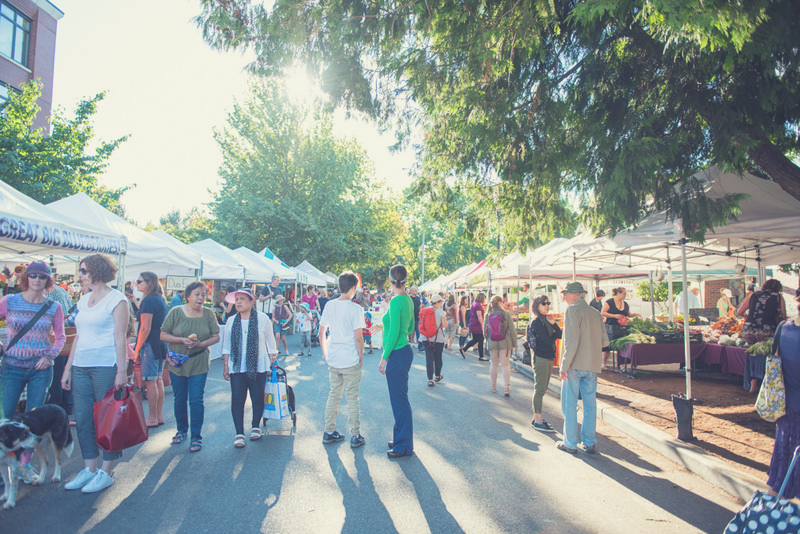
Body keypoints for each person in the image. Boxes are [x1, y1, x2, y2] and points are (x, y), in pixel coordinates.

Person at [61, 254, 129, 493]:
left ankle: (106, 471)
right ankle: (89, 468)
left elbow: (121, 337)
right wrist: (68, 368)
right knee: (83, 419)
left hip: (105, 365)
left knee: (107, 420)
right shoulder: (83, 300)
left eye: (83, 270)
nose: (79, 275)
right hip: (81, 366)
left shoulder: (117, 300)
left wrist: (122, 371)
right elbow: (78, 337)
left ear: (96, 271)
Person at [0, 261, 66, 483]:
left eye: (42, 277)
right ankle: (4, 467)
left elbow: (61, 337)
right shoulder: (9, 301)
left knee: (33, 421)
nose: (37, 280)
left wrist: (50, 357)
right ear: (26, 278)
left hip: (40, 369)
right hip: (12, 367)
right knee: (5, 416)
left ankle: (24, 467)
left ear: (48, 281)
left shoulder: (53, 307)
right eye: (33, 275)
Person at [160, 281, 220, 453]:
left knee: (196, 399)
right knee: (179, 398)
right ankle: (181, 429)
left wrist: (201, 344)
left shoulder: (208, 314)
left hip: (199, 361)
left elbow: (216, 336)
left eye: (203, 294)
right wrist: (181, 340)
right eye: (197, 294)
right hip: (177, 361)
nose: (201, 298)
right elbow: (163, 334)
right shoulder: (176, 312)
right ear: (187, 296)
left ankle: (196, 436)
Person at [222, 288, 278, 448]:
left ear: (251, 301)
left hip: (258, 365)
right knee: (237, 399)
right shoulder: (231, 320)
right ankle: (239, 432)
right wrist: (226, 365)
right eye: (236, 299)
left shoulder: (262, 319)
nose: (238, 302)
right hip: (237, 366)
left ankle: (255, 426)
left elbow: (270, 340)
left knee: (257, 397)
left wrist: (273, 357)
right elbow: (226, 345)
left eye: (242, 299)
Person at [557, 282, 609, 454]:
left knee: (569, 404)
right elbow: (605, 341)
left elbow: (571, 342)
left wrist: (564, 365)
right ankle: (589, 441)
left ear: (575, 294)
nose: (563, 297)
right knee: (590, 404)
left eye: (565, 294)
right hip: (592, 365)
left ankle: (570, 443)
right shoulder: (595, 313)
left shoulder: (572, 310)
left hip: (575, 364)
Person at [319, 271, 366, 448]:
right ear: (353, 288)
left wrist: (325, 353)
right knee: (352, 397)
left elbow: (321, 332)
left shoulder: (329, 306)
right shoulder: (356, 309)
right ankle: (355, 434)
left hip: (334, 358)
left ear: (339, 287)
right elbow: (358, 338)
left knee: (334, 395)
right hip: (350, 359)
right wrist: (361, 357)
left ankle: (329, 430)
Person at [377, 264, 416, 458]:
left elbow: (393, 333)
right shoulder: (408, 299)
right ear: (405, 281)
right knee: (401, 399)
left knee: (399, 401)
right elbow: (409, 327)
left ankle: (403, 446)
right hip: (405, 350)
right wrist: (382, 323)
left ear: (390, 280)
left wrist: (384, 358)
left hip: (397, 352)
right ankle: (402, 439)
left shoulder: (394, 301)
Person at [766, 294, 800, 499]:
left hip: (785, 405)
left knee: (784, 459)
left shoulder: (783, 328)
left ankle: (772, 513)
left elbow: (774, 362)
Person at [133, 272, 168, 428]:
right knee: (157, 379)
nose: (137, 284)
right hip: (160, 343)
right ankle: (158, 416)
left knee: (150, 381)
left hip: (150, 345)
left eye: (139, 281)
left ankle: (152, 417)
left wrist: (136, 350)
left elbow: (145, 328)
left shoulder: (148, 300)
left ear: (148, 283)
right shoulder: (160, 298)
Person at [739, 279, 787, 393]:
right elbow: (784, 316)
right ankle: (766, 385)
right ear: (778, 288)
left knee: (753, 354)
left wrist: (750, 318)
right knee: (767, 355)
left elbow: (740, 312)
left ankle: (752, 386)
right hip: (767, 330)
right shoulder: (778, 297)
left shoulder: (753, 295)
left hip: (749, 329)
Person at [529, 295, 562, 433]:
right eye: (543, 303)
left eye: (548, 303)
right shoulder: (537, 322)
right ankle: (537, 420)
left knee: (542, 388)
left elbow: (559, 334)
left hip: (547, 357)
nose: (547, 305)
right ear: (537, 306)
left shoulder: (546, 320)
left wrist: (554, 324)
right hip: (541, 357)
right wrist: (553, 333)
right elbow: (547, 341)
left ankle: (537, 418)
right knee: (540, 389)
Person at [600, 287, 640, 370]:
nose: (625, 295)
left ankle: (622, 365)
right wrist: (614, 316)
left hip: (622, 328)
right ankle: (603, 364)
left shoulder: (625, 304)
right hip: (610, 327)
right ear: (618, 293)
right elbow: (603, 312)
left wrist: (635, 314)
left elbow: (628, 314)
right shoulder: (609, 302)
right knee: (607, 346)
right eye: (624, 293)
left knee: (622, 346)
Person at [485, 295, 513, 396]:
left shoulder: (488, 314)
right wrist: (514, 343)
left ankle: (493, 387)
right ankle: (506, 388)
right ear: (500, 303)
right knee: (505, 365)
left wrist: (487, 341)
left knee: (494, 364)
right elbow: (512, 330)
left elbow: (485, 330)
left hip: (492, 342)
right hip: (505, 343)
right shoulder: (506, 313)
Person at [420, 294, 448, 387]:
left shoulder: (425, 311)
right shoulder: (441, 312)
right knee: (438, 357)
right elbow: (445, 325)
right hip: (438, 338)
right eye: (441, 302)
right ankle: (437, 376)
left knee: (429, 358)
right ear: (437, 302)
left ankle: (430, 379)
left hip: (426, 338)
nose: (442, 303)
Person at [461, 293, 487, 360]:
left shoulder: (474, 303)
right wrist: (482, 324)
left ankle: (464, 349)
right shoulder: (478, 305)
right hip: (477, 325)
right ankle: (481, 356)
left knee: (475, 339)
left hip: (472, 323)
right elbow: (479, 315)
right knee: (481, 339)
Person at [409, 286, 422, 350]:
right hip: (410, 317)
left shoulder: (417, 298)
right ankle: (411, 341)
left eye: (416, 290)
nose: (416, 292)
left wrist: (421, 313)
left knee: (418, 330)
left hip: (417, 317)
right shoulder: (408, 298)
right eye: (415, 290)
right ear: (411, 291)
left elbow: (420, 306)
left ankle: (418, 343)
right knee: (411, 330)